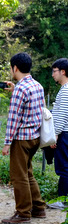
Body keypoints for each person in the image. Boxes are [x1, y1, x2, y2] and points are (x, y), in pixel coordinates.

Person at [1, 52, 46, 224]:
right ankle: (38, 207)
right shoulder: (37, 86)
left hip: (21, 139)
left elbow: (14, 118)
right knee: (28, 173)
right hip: (35, 136)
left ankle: (23, 213)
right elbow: (38, 109)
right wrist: (15, 90)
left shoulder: (21, 89)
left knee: (18, 176)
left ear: (15, 68)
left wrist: (7, 143)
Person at [48, 58, 68, 209]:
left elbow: (62, 114)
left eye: (54, 71)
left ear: (63, 71)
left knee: (64, 167)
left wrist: (55, 134)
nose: (53, 74)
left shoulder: (66, 90)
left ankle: (63, 200)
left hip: (65, 134)